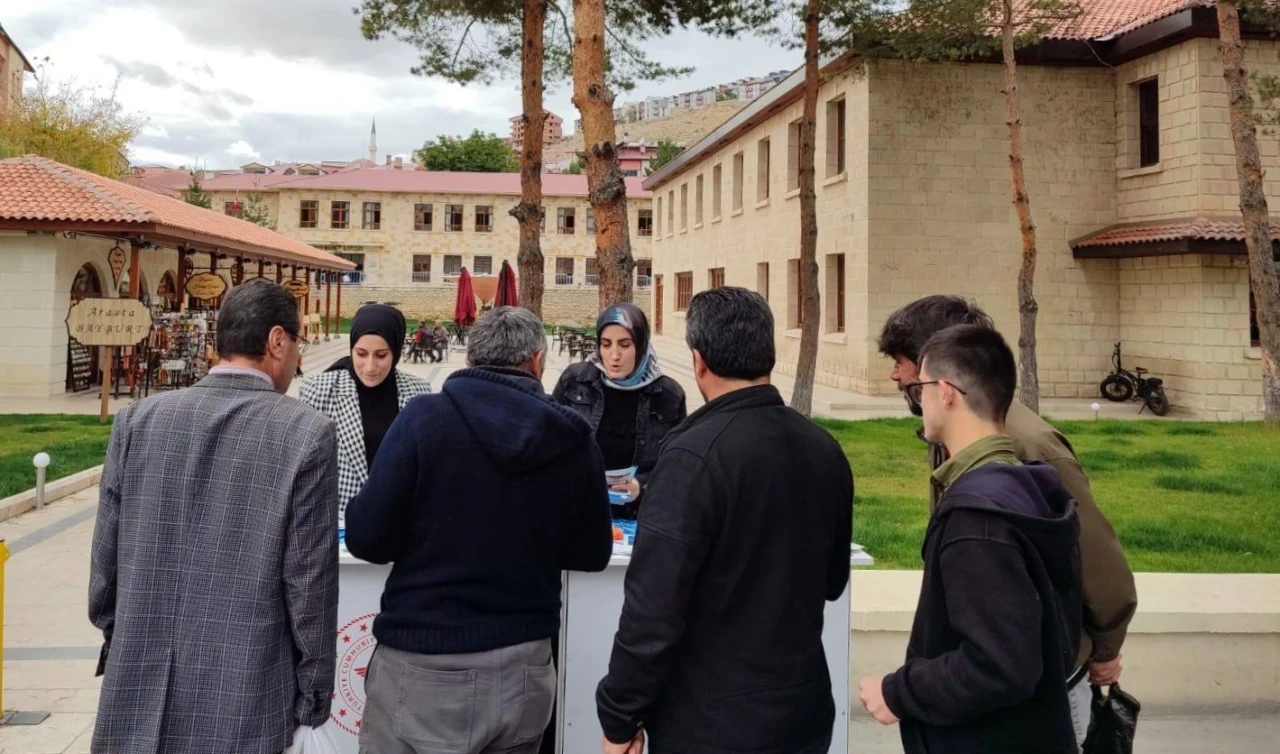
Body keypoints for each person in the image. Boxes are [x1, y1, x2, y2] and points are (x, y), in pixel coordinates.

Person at [345, 306, 614, 754]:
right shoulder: (573, 437)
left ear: (469, 359)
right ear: (538, 361)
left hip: (424, 659)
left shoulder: (422, 419)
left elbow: (366, 537)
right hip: (524, 666)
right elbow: (592, 552)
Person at [596, 287, 854, 754]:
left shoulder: (692, 457)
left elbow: (652, 610)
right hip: (803, 710)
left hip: (712, 721)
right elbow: (832, 580)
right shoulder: (824, 448)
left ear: (698, 362)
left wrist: (619, 716)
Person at [89, 279, 339, 754]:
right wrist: (313, 693)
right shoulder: (307, 433)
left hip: (138, 678)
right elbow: (309, 583)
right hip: (247, 688)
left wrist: (122, 635)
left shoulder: (137, 420)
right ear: (277, 341)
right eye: (297, 343)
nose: (297, 357)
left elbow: (105, 564)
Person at [877, 295, 1137, 746]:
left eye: (903, 362)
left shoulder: (1030, 447)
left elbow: (1099, 564)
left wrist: (1105, 649)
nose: (896, 376)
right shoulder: (957, 436)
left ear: (945, 374)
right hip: (990, 672)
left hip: (1041, 683)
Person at [858, 324, 1083, 753]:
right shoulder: (1029, 488)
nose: (917, 398)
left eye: (921, 387)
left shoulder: (978, 519)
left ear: (945, 393)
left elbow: (1000, 666)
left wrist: (897, 693)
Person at [299, 304, 430, 526]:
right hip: (338, 525)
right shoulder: (319, 389)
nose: (370, 366)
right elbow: (305, 468)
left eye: (381, 355)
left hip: (398, 524)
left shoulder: (418, 392)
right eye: (361, 354)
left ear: (396, 352)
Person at [553, 302, 686, 518]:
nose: (614, 355)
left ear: (641, 345)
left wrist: (641, 487)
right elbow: (551, 441)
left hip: (638, 515)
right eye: (606, 344)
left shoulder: (668, 395)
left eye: (624, 345)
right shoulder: (575, 381)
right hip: (577, 510)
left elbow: (676, 464)